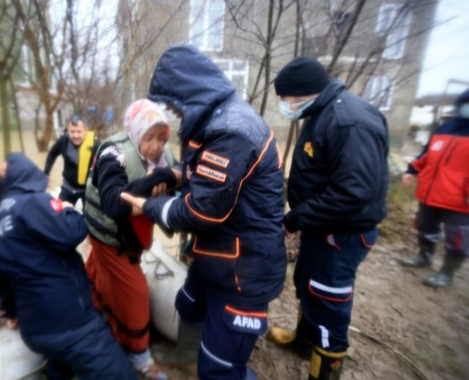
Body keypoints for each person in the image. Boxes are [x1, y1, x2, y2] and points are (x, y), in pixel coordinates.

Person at [121, 45, 286, 380]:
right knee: (188, 306)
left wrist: (149, 206)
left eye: (172, 104)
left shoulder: (231, 131)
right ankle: (188, 358)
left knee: (219, 370)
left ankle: (218, 363)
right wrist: (172, 175)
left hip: (243, 272)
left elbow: (201, 212)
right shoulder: (217, 118)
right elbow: (205, 173)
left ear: (187, 92)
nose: (172, 113)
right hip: (217, 255)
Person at [265, 56, 388, 380]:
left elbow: (353, 192)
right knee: (307, 281)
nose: (282, 104)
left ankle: (325, 372)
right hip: (323, 226)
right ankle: (305, 342)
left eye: (283, 97)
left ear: (302, 92)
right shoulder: (323, 111)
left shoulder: (347, 120)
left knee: (328, 300)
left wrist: (294, 219)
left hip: (343, 233)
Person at [0, 153, 138, 380]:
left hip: (34, 331)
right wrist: (68, 209)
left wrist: (12, 311)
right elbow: (73, 232)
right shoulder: (34, 202)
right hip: (72, 324)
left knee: (59, 363)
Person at [83, 99, 178, 380]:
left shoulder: (165, 156)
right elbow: (114, 203)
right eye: (149, 138)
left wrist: (168, 182)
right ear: (135, 132)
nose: (157, 146)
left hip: (134, 231)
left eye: (162, 138)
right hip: (109, 235)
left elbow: (180, 183)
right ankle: (139, 355)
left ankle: (97, 305)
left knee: (99, 273)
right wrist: (158, 179)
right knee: (137, 294)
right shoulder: (113, 154)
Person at [400, 88, 469, 287]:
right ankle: (424, 255)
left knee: (458, 236)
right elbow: (425, 154)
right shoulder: (444, 129)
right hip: (430, 192)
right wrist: (411, 170)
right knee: (425, 226)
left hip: (460, 198)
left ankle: (448, 272)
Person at [44, 115, 99, 205]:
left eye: (79, 131)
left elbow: (101, 165)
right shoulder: (63, 140)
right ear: (67, 130)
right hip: (68, 186)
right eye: (72, 131)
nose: (75, 135)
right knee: (60, 213)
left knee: (89, 216)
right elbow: (52, 153)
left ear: (86, 130)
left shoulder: (95, 144)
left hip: (87, 189)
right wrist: (46, 173)